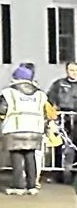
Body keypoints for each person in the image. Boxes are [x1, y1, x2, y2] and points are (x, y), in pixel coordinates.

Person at [2, 64, 51, 195]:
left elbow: (2, 109)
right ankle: (31, 185)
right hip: (35, 128)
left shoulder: (8, 92)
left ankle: (18, 186)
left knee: (17, 156)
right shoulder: (40, 94)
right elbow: (47, 111)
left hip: (15, 127)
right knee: (30, 156)